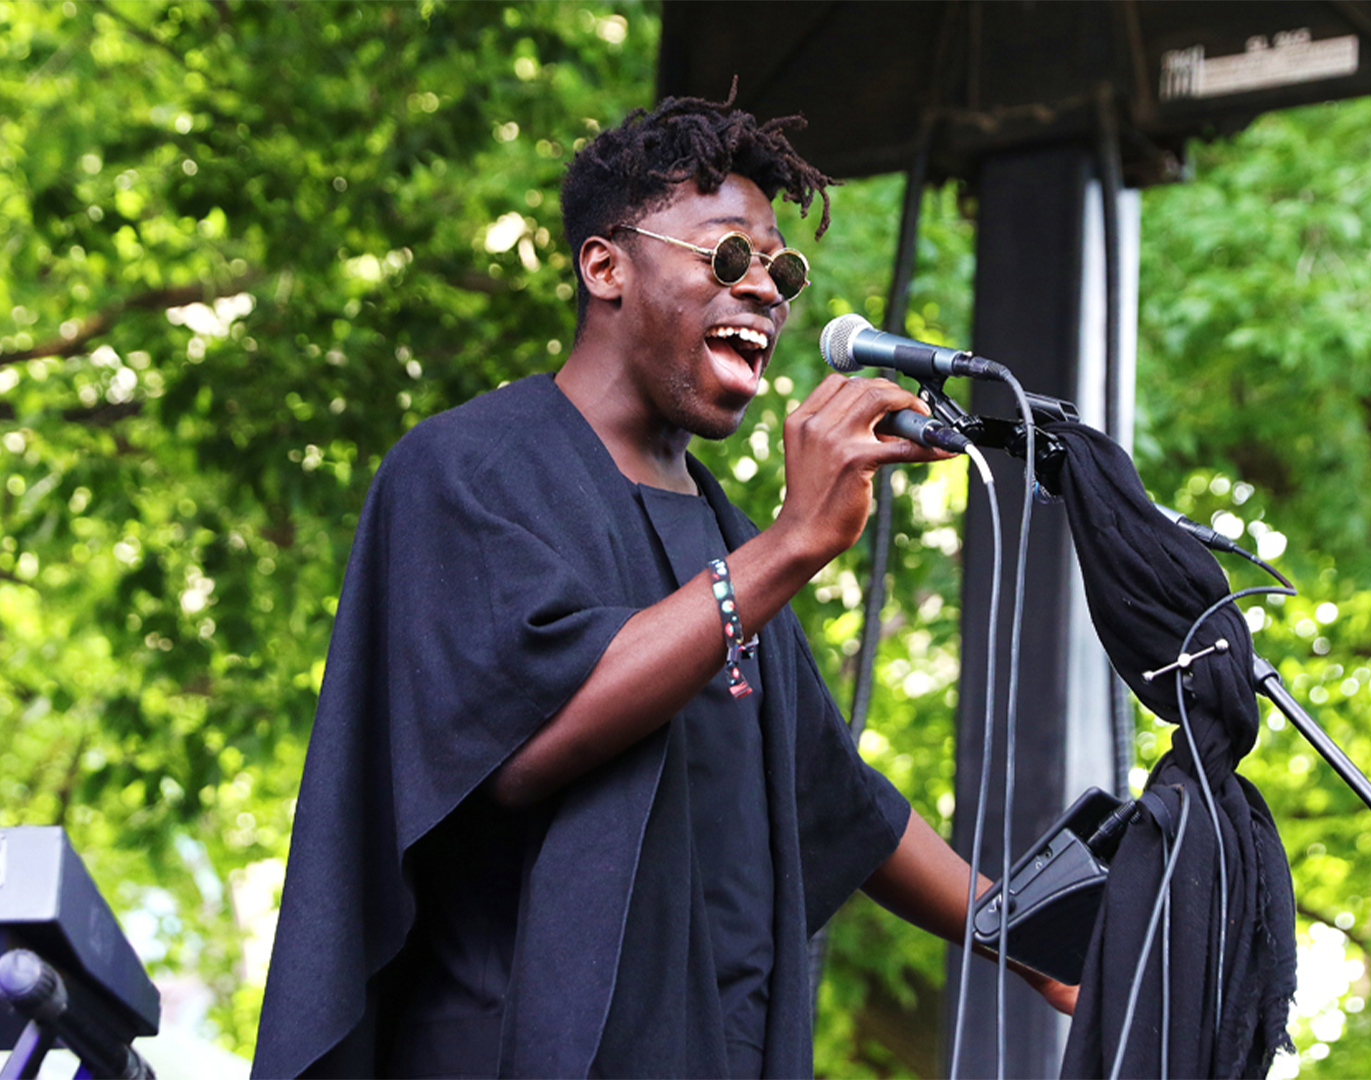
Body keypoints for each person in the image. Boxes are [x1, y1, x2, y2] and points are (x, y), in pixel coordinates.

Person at [252, 92, 1074, 1080]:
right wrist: (790, 545)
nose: (766, 290)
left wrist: (1037, 941)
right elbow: (522, 743)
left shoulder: (723, 531)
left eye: (782, 269)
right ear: (605, 266)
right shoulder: (465, 469)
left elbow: (834, 800)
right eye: (729, 255)